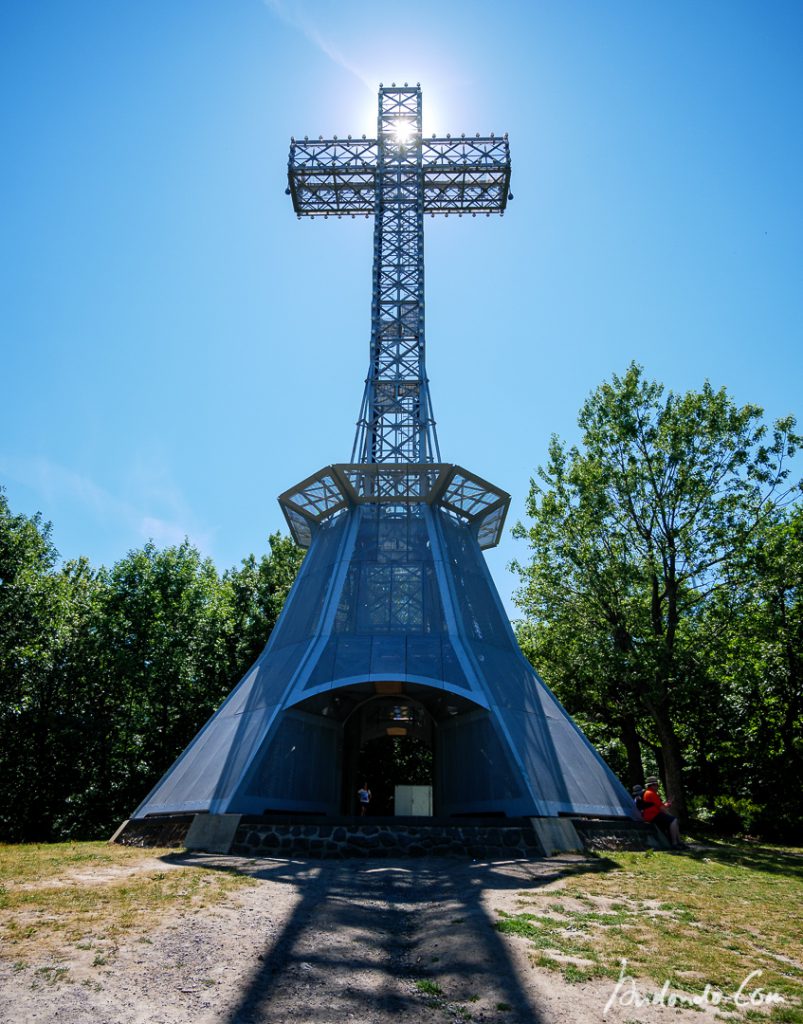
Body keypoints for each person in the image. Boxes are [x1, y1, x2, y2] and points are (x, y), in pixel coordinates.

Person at [640, 775, 686, 849]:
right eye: (656, 785)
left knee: (673, 820)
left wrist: (668, 803)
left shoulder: (649, 793)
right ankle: (675, 843)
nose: (658, 786)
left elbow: (660, 806)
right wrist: (670, 815)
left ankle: (679, 842)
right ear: (652, 785)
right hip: (652, 816)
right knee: (673, 820)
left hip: (653, 815)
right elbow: (662, 809)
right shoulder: (651, 794)